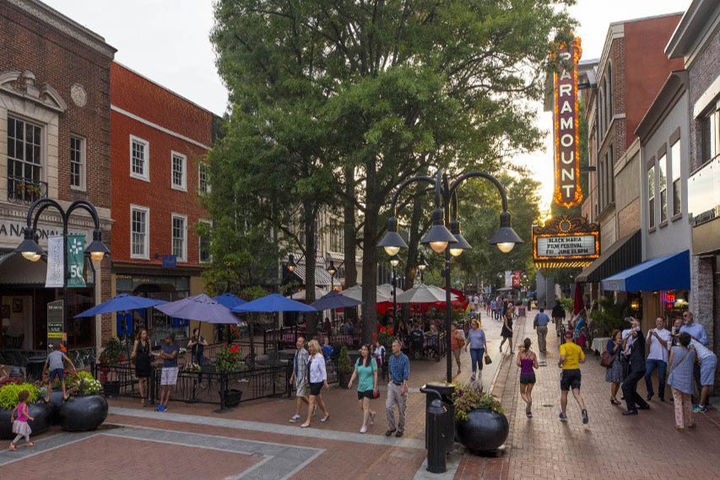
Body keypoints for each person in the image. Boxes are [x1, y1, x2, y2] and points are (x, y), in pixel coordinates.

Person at [667, 332, 696, 431]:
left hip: (676, 379)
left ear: (679, 340)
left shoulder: (674, 349)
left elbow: (670, 362)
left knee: (677, 401)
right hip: (687, 380)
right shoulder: (692, 352)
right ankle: (690, 422)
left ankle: (680, 424)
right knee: (688, 401)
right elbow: (693, 361)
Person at [558, 330, 588, 424]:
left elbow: (562, 358)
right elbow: (583, 360)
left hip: (566, 371)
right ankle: (583, 409)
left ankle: (563, 414)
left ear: (564, 337)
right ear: (573, 337)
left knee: (564, 393)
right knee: (576, 394)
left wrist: (560, 363)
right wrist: (575, 360)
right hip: (576, 371)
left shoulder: (563, 346)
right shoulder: (578, 347)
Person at [347, 344, 379, 433]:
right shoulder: (358, 360)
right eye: (362, 349)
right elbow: (355, 372)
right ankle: (372, 413)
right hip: (360, 387)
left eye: (365, 350)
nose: (363, 351)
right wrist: (351, 381)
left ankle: (364, 425)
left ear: (368, 351)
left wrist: (375, 387)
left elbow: (375, 374)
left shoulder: (372, 360)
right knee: (361, 406)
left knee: (365, 406)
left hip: (369, 386)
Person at [621, 318, 649, 415]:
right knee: (631, 388)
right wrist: (626, 354)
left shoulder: (640, 339)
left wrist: (637, 326)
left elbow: (640, 334)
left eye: (634, 328)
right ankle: (644, 405)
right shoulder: (632, 341)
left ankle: (632, 409)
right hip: (634, 367)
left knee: (625, 386)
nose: (632, 330)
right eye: (632, 328)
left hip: (638, 368)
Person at [300, 339, 329, 428]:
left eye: (311, 347)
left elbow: (323, 370)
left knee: (311, 400)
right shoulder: (310, 357)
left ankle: (308, 421)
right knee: (319, 399)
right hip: (312, 381)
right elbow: (308, 370)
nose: (309, 349)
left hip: (318, 381)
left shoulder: (319, 357)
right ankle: (326, 413)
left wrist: (325, 382)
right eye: (309, 347)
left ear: (315, 347)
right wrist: (305, 378)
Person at [386, 339, 409, 438]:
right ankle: (391, 427)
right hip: (392, 385)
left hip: (401, 385)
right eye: (392, 346)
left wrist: (403, 386)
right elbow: (389, 371)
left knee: (401, 409)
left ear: (399, 347)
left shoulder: (405, 359)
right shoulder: (391, 358)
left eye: (394, 346)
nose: (393, 348)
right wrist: (390, 381)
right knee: (388, 407)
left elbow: (406, 373)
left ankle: (400, 429)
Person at [644, 317, 670, 402]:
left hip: (662, 358)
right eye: (657, 321)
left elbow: (666, 344)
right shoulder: (650, 331)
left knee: (662, 378)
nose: (659, 322)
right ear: (655, 322)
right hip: (652, 357)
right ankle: (650, 392)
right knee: (647, 374)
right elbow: (648, 343)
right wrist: (651, 335)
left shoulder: (667, 333)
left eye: (661, 321)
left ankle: (661, 394)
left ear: (663, 323)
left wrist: (657, 336)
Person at [690, 338, 718, 413]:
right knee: (704, 383)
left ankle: (701, 407)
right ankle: (701, 404)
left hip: (708, 359)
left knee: (705, 384)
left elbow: (694, 351)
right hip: (707, 358)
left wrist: (696, 360)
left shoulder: (689, 342)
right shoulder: (692, 340)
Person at [155, 333, 179, 412]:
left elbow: (172, 356)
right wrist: (165, 355)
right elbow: (162, 356)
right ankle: (161, 403)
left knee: (169, 386)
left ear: (171, 339)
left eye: (167, 338)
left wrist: (164, 354)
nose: (165, 340)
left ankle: (165, 404)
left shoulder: (175, 346)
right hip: (165, 367)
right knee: (163, 386)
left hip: (172, 367)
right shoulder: (164, 346)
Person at [289, 336, 310, 423]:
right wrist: (292, 376)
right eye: (298, 341)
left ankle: (297, 414)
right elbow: (295, 365)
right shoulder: (296, 352)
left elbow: (307, 366)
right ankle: (311, 405)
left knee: (298, 395)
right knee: (301, 395)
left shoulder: (304, 353)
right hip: (297, 376)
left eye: (300, 342)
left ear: (303, 343)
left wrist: (306, 378)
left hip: (302, 377)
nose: (298, 343)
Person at [516, 338, 538, 418]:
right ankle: (529, 411)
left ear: (524, 344)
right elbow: (536, 366)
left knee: (522, 393)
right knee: (529, 393)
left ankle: (528, 402)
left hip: (524, 374)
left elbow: (518, 363)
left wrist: (522, 365)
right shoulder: (533, 354)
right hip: (531, 375)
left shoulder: (520, 353)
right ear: (530, 345)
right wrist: (532, 363)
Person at [131, 328, 152, 407]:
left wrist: (157, 355)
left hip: (146, 362)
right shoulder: (137, 342)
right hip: (139, 362)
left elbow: (150, 352)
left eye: (145, 334)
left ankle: (149, 396)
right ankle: (142, 397)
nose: (145, 335)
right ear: (140, 335)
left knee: (148, 379)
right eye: (143, 334)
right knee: (141, 379)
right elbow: (134, 352)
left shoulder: (148, 342)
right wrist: (132, 356)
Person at [605, 330, 624, 406]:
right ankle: (613, 397)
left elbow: (623, 350)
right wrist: (617, 344)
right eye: (618, 334)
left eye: (620, 334)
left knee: (618, 381)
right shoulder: (610, 341)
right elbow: (611, 352)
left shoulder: (620, 342)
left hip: (619, 362)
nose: (620, 336)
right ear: (615, 335)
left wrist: (623, 344)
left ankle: (613, 397)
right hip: (612, 363)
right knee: (614, 380)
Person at [467, 319, 488, 384]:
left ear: (477, 325)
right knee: (474, 359)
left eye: (473, 324)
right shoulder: (470, 331)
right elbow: (468, 339)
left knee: (479, 360)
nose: (472, 325)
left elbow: (484, 340)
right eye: (471, 324)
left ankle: (480, 371)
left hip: (480, 348)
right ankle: (473, 373)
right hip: (473, 348)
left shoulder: (481, 331)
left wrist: (486, 348)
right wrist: (465, 345)